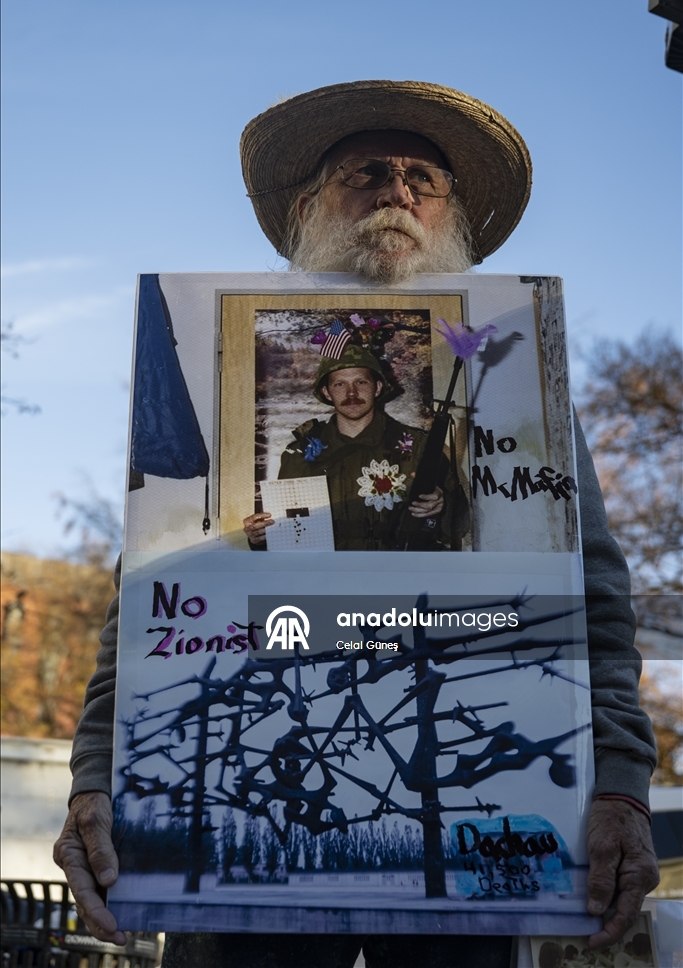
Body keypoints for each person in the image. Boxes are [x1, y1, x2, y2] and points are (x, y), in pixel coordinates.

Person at [54, 81, 659, 968]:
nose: (396, 192)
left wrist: (622, 785)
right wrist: (95, 780)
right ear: (306, 209)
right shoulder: (270, 428)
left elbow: (590, 597)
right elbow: (150, 602)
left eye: (423, 179)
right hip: (261, 758)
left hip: (462, 763)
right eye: (366, 173)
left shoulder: (516, 393)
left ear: (452, 216)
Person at [244, 342, 468, 551]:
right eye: (340, 384)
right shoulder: (301, 453)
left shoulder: (418, 446)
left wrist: (441, 505)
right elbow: (289, 535)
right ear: (326, 392)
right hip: (326, 574)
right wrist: (261, 537)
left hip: (398, 571)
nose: (351, 393)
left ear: (377, 388)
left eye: (361, 382)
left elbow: (459, 524)